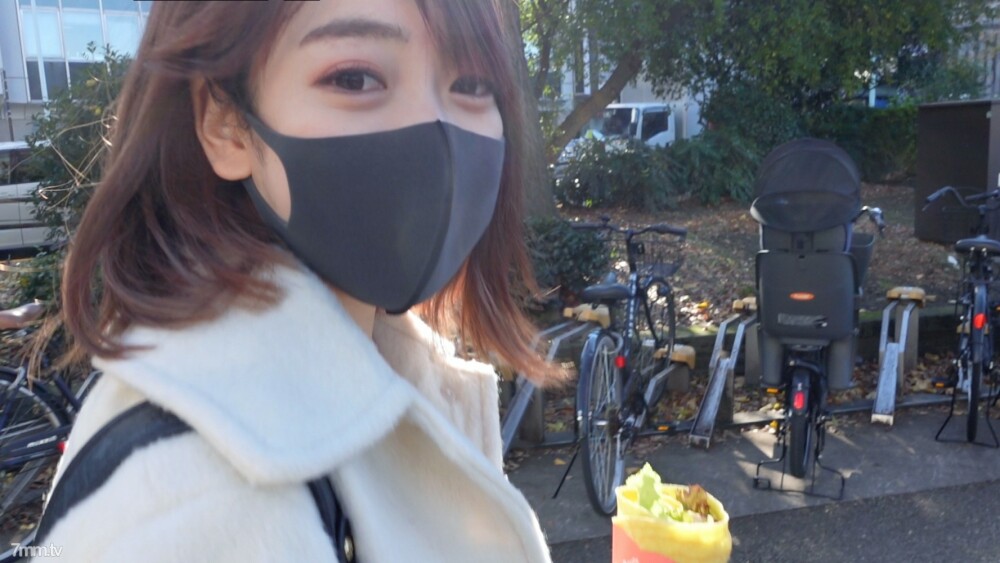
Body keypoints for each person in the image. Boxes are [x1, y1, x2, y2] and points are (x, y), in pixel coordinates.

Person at [46, 0, 560, 561]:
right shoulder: (200, 505)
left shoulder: (386, 377)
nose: (435, 128)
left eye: (473, 83)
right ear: (225, 124)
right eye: (354, 78)